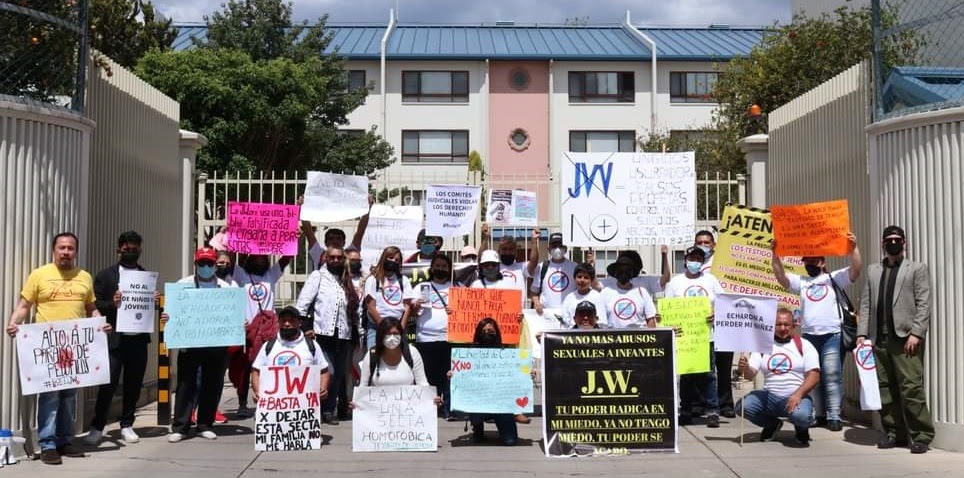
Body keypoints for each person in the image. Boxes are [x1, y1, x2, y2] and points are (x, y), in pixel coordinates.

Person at [6, 233, 107, 465]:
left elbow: (91, 307)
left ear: (76, 251)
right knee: (50, 397)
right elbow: (24, 305)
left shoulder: (84, 277)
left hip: (73, 350)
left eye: (70, 248)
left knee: (69, 396)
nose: (66, 252)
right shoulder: (40, 275)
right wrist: (14, 323)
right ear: (54, 250)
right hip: (48, 348)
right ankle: (48, 444)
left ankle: (64, 441)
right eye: (62, 247)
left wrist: (100, 323)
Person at [772, 232, 862, 431]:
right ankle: (819, 414)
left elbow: (856, 269)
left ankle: (834, 416)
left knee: (831, 375)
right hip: (809, 337)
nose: (809, 264)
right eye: (806, 262)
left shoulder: (834, 278)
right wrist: (774, 255)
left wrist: (853, 248)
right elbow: (781, 277)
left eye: (813, 261)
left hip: (832, 334)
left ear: (822, 262)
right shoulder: (802, 282)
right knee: (813, 375)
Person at [857, 225, 934, 454]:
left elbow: (924, 303)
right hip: (879, 340)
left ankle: (921, 435)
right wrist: (862, 333)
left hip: (905, 339)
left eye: (897, 239)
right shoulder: (873, 270)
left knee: (911, 388)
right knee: (884, 388)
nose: (893, 243)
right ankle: (894, 433)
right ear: (883, 244)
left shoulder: (916, 269)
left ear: (904, 242)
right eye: (889, 239)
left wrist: (917, 333)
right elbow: (866, 303)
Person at [85, 231, 155, 446]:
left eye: (135, 249)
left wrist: (153, 301)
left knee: (134, 385)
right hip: (115, 340)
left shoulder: (146, 277)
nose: (131, 252)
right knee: (108, 384)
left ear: (140, 250)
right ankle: (98, 427)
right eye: (127, 249)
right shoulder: (106, 276)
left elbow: (150, 308)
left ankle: (127, 424)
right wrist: (112, 303)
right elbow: (94, 306)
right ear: (118, 250)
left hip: (138, 340)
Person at [165, 247, 236, 443]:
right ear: (195, 265)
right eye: (201, 263)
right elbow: (172, 310)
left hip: (216, 343)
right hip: (190, 342)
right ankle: (181, 426)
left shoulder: (226, 288)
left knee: (211, 383)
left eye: (209, 264)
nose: (205, 267)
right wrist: (168, 316)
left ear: (215, 265)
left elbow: (234, 314)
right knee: (186, 383)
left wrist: (239, 322)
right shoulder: (182, 285)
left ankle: (205, 424)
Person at [736, 308, 820, 447]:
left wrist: (798, 395)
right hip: (770, 397)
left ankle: (801, 428)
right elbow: (750, 374)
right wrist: (743, 368)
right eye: (778, 324)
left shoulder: (804, 345)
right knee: (743, 407)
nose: (782, 328)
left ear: (793, 326)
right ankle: (772, 425)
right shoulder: (762, 345)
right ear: (771, 326)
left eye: (786, 325)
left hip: (796, 396)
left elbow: (815, 375)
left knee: (801, 416)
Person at [296, 245, 360, 425]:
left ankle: (329, 411)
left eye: (339, 257)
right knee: (328, 371)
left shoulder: (346, 279)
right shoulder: (318, 276)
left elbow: (352, 309)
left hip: (344, 334)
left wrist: (354, 333)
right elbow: (303, 305)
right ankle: (320, 407)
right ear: (326, 258)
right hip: (322, 334)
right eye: (332, 257)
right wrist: (307, 327)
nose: (336, 260)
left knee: (339, 373)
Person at [664, 246, 724, 428]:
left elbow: (723, 303)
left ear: (703, 261)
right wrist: (671, 323)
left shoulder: (711, 280)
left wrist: (716, 313)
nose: (695, 261)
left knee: (709, 374)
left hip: (706, 335)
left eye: (699, 258)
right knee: (686, 374)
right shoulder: (675, 283)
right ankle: (686, 410)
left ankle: (713, 411)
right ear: (685, 259)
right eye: (692, 257)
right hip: (683, 337)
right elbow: (668, 309)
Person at [230, 252, 291, 418]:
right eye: (255, 257)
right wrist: (229, 237)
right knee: (245, 369)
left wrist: (293, 238)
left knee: (266, 369)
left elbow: (286, 259)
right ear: (249, 259)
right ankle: (242, 403)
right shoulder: (242, 275)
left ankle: (265, 401)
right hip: (247, 330)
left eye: (262, 257)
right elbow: (229, 258)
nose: (259, 260)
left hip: (266, 332)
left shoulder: (271, 275)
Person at [251, 306, 330, 402]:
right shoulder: (268, 346)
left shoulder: (311, 345)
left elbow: (324, 370)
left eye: (291, 320)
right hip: (274, 407)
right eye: (283, 321)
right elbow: (256, 371)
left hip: (304, 407)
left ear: (299, 323)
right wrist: (257, 391)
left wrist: (323, 388)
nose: (287, 324)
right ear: (278, 323)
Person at [412, 255, 456, 418]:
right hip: (426, 338)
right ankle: (431, 407)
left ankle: (449, 409)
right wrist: (415, 307)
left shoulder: (456, 287)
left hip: (450, 337)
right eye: (437, 265)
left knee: (449, 375)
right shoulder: (421, 287)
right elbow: (412, 313)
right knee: (429, 375)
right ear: (431, 268)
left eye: (444, 266)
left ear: (449, 269)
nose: (440, 268)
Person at [465, 318, 518, 446]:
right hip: (480, 400)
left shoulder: (505, 352)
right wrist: (453, 375)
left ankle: (512, 417)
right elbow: (463, 375)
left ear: (496, 332)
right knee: (477, 416)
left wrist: (527, 374)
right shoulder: (470, 353)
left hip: (501, 402)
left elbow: (516, 374)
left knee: (510, 441)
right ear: (478, 333)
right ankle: (477, 426)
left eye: (490, 330)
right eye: (484, 331)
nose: (487, 333)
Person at [301, 194, 372, 270]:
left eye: (338, 238)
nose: (335, 241)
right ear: (325, 242)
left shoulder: (349, 254)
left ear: (344, 242)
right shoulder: (319, 254)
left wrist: (368, 208)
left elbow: (360, 231)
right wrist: (302, 207)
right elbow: (308, 230)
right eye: (331, 238)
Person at [364, 246, 416, 349]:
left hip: (398, 328)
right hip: (377, 329)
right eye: (391, 258)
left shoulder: (403, 280)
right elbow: (371, 307)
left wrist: (400, 328)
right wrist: (385, 328)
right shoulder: (373, 279)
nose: (393, 261)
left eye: (397, 260)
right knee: (374, 361)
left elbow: (408, 306)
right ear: (384, 258)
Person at [358, 319, 431, 387]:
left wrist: (431, 397)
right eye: (387, 334)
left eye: (395, 333)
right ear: (381, 336)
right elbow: (363, 386)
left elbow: (422, 383)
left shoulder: (412, 352)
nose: (391, 337)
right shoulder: (372, 355)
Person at [599, 256, 657, 329]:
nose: (624, 273)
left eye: (627, 270)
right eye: (620, 270)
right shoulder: (605, 293)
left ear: (632, 273)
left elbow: (651, 320)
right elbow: (602, 324)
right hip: (613, 338)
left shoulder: (642, 292)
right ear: (615, 272)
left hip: (638, 338)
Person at [529, 232, 577, 315]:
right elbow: (534, 292)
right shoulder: (542, 267)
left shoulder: (574, 267)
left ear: (565, 248)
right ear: (548, 249)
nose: (557, 249)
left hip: (570, 314)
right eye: (554, 246)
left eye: (560, 245)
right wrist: (537, 303)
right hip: (546, 314)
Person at [561, 262, 608, 328]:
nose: (582, 280)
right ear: (575, 278)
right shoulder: (569, 298)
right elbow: (565, 323)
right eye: (579, 277)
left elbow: (602, 323)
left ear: (591, 281)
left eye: (586, 277)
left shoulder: (597, 297)